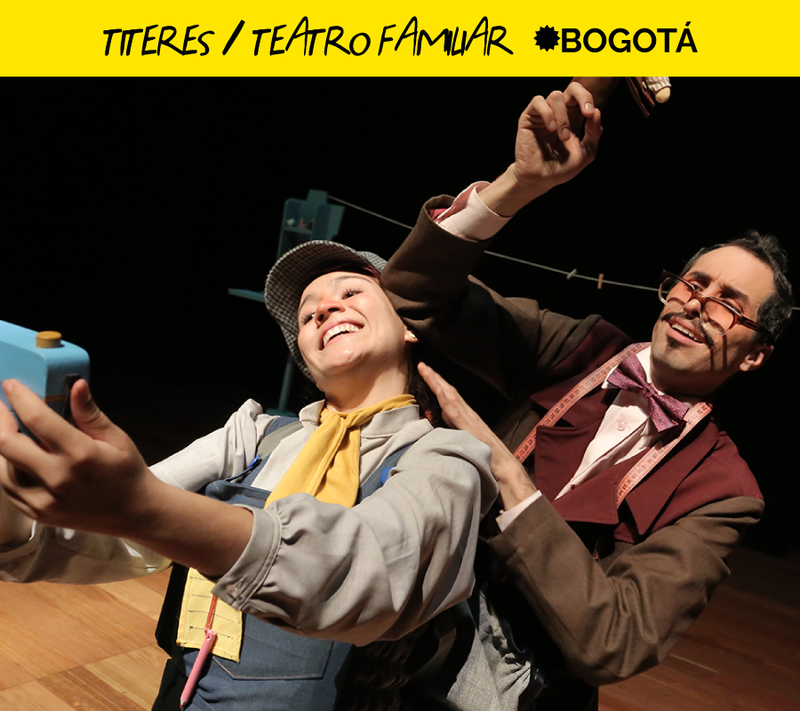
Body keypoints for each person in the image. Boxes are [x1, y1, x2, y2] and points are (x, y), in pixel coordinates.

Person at [380, 81, 794, 710]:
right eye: (693, 283)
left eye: (729, 306)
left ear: (756, 353)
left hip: (522, 681)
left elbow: (614, 642)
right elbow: (412, 295)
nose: (696, 305)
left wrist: (505, 475)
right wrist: (518, 185)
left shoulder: (724, 490)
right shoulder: (578, 347)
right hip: (417, 616)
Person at [0, 240, 498, 711]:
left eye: (350, 292)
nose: (325, 309)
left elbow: (370, 573)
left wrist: (142, 507)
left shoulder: (446, 459)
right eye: (308, 314)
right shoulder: (254, 436)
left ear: (410, 328)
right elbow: (105, 538)